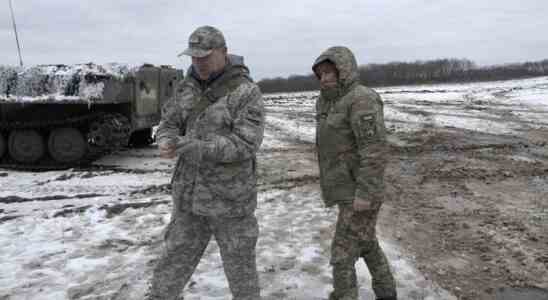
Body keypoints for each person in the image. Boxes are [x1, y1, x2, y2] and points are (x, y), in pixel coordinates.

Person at [146, 25, 264, 300]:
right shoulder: (186, 88)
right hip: (188, 200)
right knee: (171, 267)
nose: (198, 62)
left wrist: (197, 148)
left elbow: (246, 144)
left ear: (224, 52)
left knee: (242, 275)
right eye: (193, 57)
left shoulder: (246, 92)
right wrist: (165, 139)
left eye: (205, 56)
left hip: (231, 201)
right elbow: (168, 123)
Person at [312, 46, 397, 300]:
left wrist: (365, 193)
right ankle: (387, 293)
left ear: (345, 70)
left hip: (360, 193)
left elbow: (374, 151)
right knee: (367, 243)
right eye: (321, 73)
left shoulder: (361, 99)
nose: (325, 78)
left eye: (331, 72)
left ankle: (344, 294)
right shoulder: (326, 101)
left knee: (341, 254)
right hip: (345, 189)